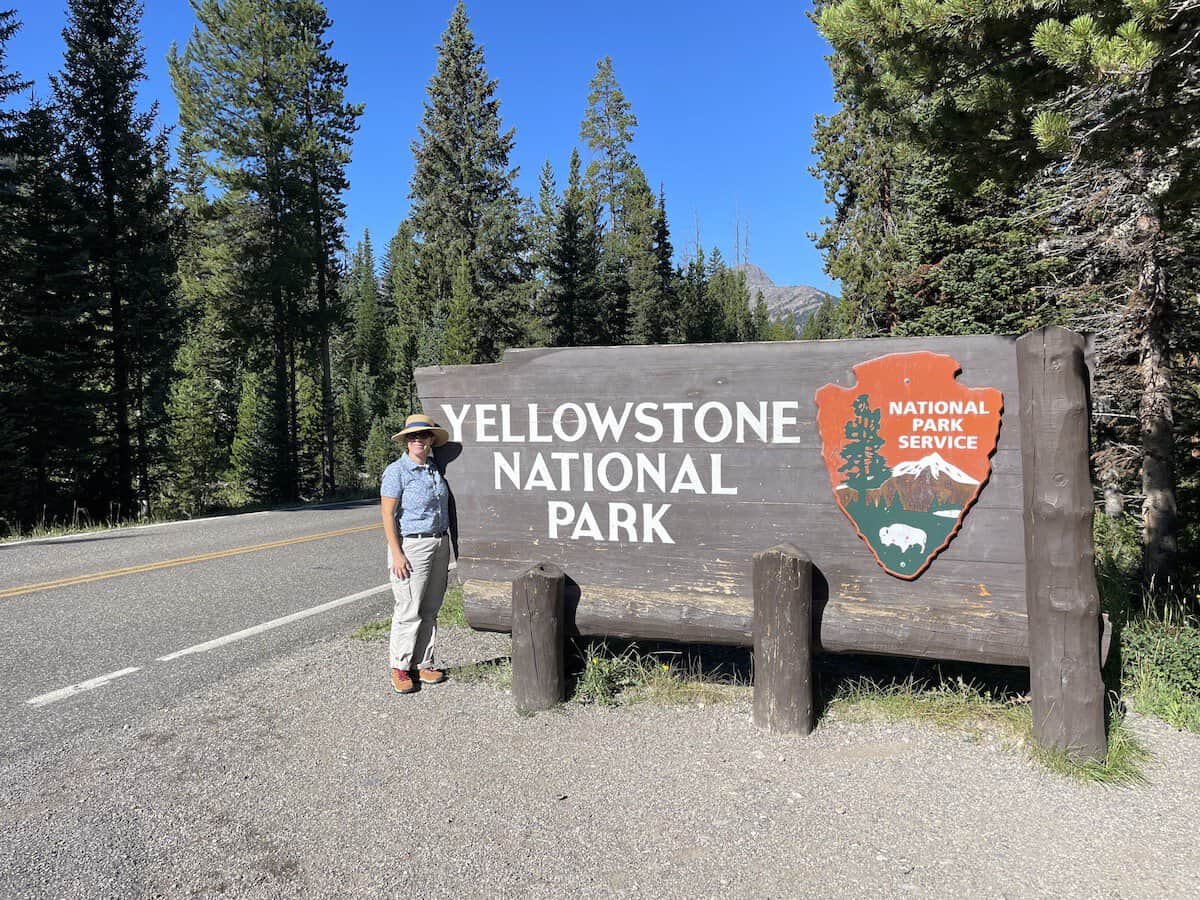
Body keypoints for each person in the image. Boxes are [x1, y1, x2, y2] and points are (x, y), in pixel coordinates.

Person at [380, 413, 452, 694]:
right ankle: (400, 666)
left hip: (439, 543)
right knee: (408, 609)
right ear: (406, 441)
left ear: (431, 439)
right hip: (411, 545)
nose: (418, 440)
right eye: (413, 436)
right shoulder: (397, 471)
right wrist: (397, 553)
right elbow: (387, 514)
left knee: (430, 608)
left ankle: (424, 663)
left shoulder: (435, 469)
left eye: (423, 435)